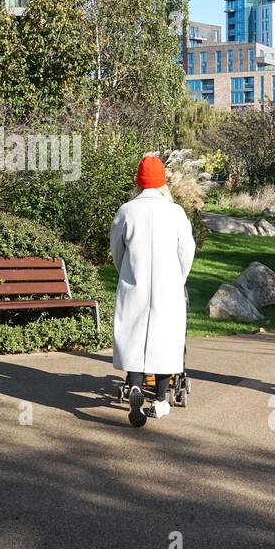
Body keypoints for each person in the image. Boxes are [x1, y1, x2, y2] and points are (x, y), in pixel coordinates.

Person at [109, 155, 196, 426]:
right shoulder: (176, 212)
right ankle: (159, 401)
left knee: (134, 336)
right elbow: (186, 252)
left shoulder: (126, 210)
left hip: (135, 283)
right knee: (165, 341)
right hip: (167, 286)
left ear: (138, 181)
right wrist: (178, 278)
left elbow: (116, 250)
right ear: (163, 183)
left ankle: (135, 385)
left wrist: (126, 272)